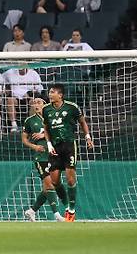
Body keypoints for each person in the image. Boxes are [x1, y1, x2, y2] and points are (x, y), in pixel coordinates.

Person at [42, 84, 94, 222]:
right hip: (54, 147)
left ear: (60, 95)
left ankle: (71, 209)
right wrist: (48, 144)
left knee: (70, 179)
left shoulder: (72, 107)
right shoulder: (46, 109)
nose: (50, 94)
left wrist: (87, 137)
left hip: (69, 145)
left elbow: (82, 122)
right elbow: (46, 128)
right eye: (49, 92)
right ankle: (66, 205)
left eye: (52, 92)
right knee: (54, 180)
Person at [22, 98, 66, 222]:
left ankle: (32, 211)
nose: (36, 105)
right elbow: (24, 139)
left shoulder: (52, 117)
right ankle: (57, 215)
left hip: (53, 155)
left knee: (49, 186)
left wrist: (44, 135)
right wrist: (34, 146)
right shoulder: (30, 121)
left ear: (45, 104)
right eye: (34, 103)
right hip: (40, 157)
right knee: (49, 184)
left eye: (39, 102)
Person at [4, 67, 44, 133]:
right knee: (9, 100)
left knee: (35, 102)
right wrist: (5, 89)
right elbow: (0, 79)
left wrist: (30, 93)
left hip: (29, 98)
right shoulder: (10, 72)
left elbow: (39, 89)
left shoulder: (33, 74)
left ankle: (31, 126)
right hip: (15, 98)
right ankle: (14, 126)